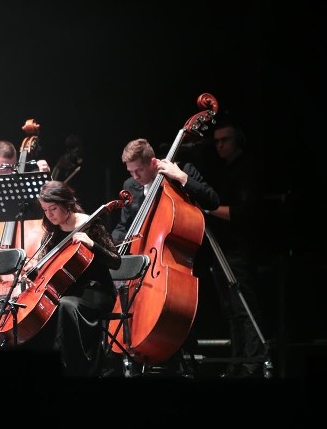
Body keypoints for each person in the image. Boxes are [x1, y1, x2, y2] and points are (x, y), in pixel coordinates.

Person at [111, 137, 220, 374]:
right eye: (131, 171)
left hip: (177, 260)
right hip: (141, 259)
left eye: (139, 169)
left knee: (177, 319)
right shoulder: (130, 184)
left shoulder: (180, 172)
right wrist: (116, 242)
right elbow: (124, 224)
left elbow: (212, 200)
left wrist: (182, 178)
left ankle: (184, 365)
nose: (136, 176)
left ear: (153, 162)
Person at [29, 180, 121, 377]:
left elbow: (115, 261)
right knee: (44, 307)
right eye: (45, 210)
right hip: (68, 292)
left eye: (53, 208)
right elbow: (48, 261)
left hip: (97, 292)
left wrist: (92, 245)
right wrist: (34, 270)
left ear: (67, 204)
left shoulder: (90, 224)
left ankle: (78, 368)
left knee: (65, 306)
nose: (49, 215)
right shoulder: (53, 228)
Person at [204, 121, 267, 378]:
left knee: (245, 308)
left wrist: (207, 210)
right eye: (216, 141)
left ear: (237, 140)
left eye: (225, 141)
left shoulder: (246, 170)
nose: (219, 146)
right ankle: (237, 362)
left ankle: (253, 362)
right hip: (222, 249)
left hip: (239, 250)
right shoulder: (224, 170)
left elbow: (243, 213)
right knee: (231, 311)